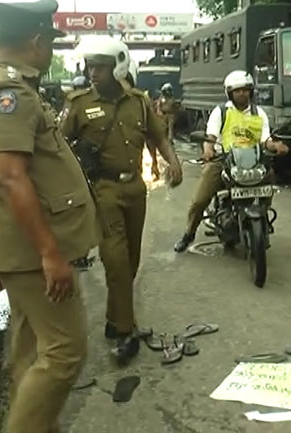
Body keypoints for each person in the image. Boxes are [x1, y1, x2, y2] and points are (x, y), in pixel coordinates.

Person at [0, 1, 98, 431]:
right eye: (51, 42)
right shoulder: (9, 93)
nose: (51, 51)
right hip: (29, 250)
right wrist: (50, 253)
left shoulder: (6, 84)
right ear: (37, 41)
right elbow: (11, 178)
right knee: (65, 351)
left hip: (19, 248)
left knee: (30, 346)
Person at [59, 36, 183, 364]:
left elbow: (157, 135)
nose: (93, 72)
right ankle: (126, 331)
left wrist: (174, 160)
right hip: (103, 191)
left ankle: (116, 321)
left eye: (100, 66)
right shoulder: (79, 102)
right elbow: (58, 145)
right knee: (114, 259)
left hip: (135, 191)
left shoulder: (140, 101)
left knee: (131, 260)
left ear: (118, 66)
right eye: (90, 66)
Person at [174, 70, 289, 252]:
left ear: (251, 91)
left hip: (252, 160)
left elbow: (265, 139)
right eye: (237, 90)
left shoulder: (259, 113)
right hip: (223, 160)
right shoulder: (221, 112)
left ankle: (263, 220)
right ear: (230, 93)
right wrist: (208, 150)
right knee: (199, 201)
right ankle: (189, 233)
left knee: (270, 177)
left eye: (245, 90)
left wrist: (275, 146)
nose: (242, 93)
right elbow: (210, 136)